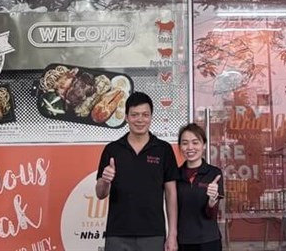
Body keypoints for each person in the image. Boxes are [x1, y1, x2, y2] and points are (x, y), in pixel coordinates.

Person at [96, 92, 179, 251]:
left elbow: (171, 193)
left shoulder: (163, 150)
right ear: (126, 117)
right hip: (117, 234)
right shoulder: (112, 150)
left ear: (151, 117)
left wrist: (172, 235)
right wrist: (105, 181)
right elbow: (100, 194)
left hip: (153, 234)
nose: (140, 120)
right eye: (134, 115)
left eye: (145, 115)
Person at [176, 123, 224, 251]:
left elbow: (212, 215)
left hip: (208, 240)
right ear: (180, 146)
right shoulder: (174, 174)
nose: (190, 147)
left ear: (204, 145)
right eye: (185, 143)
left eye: (195, 142)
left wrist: (212, 201)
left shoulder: (214, 173)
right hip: (182, 241)